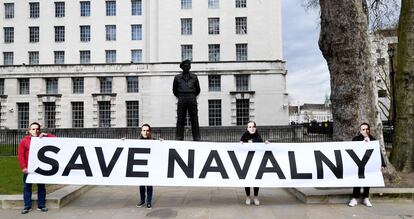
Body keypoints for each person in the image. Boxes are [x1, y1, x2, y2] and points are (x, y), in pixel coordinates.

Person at [17, 122, 55, 214]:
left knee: (41, 186)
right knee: (27, 187)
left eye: (37, 129)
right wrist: (23, 167)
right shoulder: (24, 141)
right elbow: (20, 155)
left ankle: (41, 205)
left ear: (39, 130)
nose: (35, 131)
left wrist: (46, 135)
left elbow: (56, 140)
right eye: (33, 129)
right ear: (29, 130)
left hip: (40, 168)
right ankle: (27, 206)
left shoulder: (43, 139)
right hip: (28, 169)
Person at [348, 122, 386, 207]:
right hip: (358, 164)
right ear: (360, 130)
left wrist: (382, 164)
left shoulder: (373, 140)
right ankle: (355, 198)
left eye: (367, 129)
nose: (365, 131)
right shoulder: (356, 139)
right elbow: (352, 149)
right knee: (357, 180)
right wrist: (363, 143)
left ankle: (366, 197)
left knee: (368, 180)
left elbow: (378, 153)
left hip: (369, 164)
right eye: (363, 129)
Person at [240, 121, 268, 206]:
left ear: (255, 127)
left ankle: (256, 196)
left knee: (256, 179)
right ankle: (248, 196)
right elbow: (241, 144)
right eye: (249, 127)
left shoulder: (258, 136)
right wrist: (241, 143)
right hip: (247, 161)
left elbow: (262, 144)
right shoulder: (245, 135)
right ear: (247, 128)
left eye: (253, 127)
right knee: (247, 179)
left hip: (256, 161)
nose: (251, 128)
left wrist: (266, 143)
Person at [173, 59, 201, 141]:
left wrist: (191, 96)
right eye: (185, 66)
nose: (186, 67)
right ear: (182, 67)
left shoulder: (194, 77)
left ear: (190, 67)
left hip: (192, 97)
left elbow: (198, 90)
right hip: (181, 97)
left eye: (188, 66)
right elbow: (174, 90)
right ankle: (179, 137)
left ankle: (197, 137)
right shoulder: (177, 77)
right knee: (180, 118)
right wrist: (181, 96)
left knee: (194, 118)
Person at [135, 124, 154, 209]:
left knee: (149, 185)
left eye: (147, 130)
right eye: (143, 130)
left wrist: (162, 142)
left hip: (150, 165)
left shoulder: (153, 141)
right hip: (141, 165)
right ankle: (142, 200)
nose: (145, 132)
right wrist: (123, 141)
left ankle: (149, 202)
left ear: (149, 131)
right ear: (141, 131)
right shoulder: (138, 141)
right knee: (142, 185)